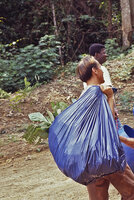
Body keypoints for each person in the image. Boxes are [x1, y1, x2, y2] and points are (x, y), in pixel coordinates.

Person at [77, 55, 134, 200]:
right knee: (131, 192)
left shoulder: (82, 97)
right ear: (95, 70)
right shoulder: (100, 93)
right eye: (100, 67)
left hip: (89, 160)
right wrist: (110, 97)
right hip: (107, 156)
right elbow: (106, 125)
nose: (103, 70)